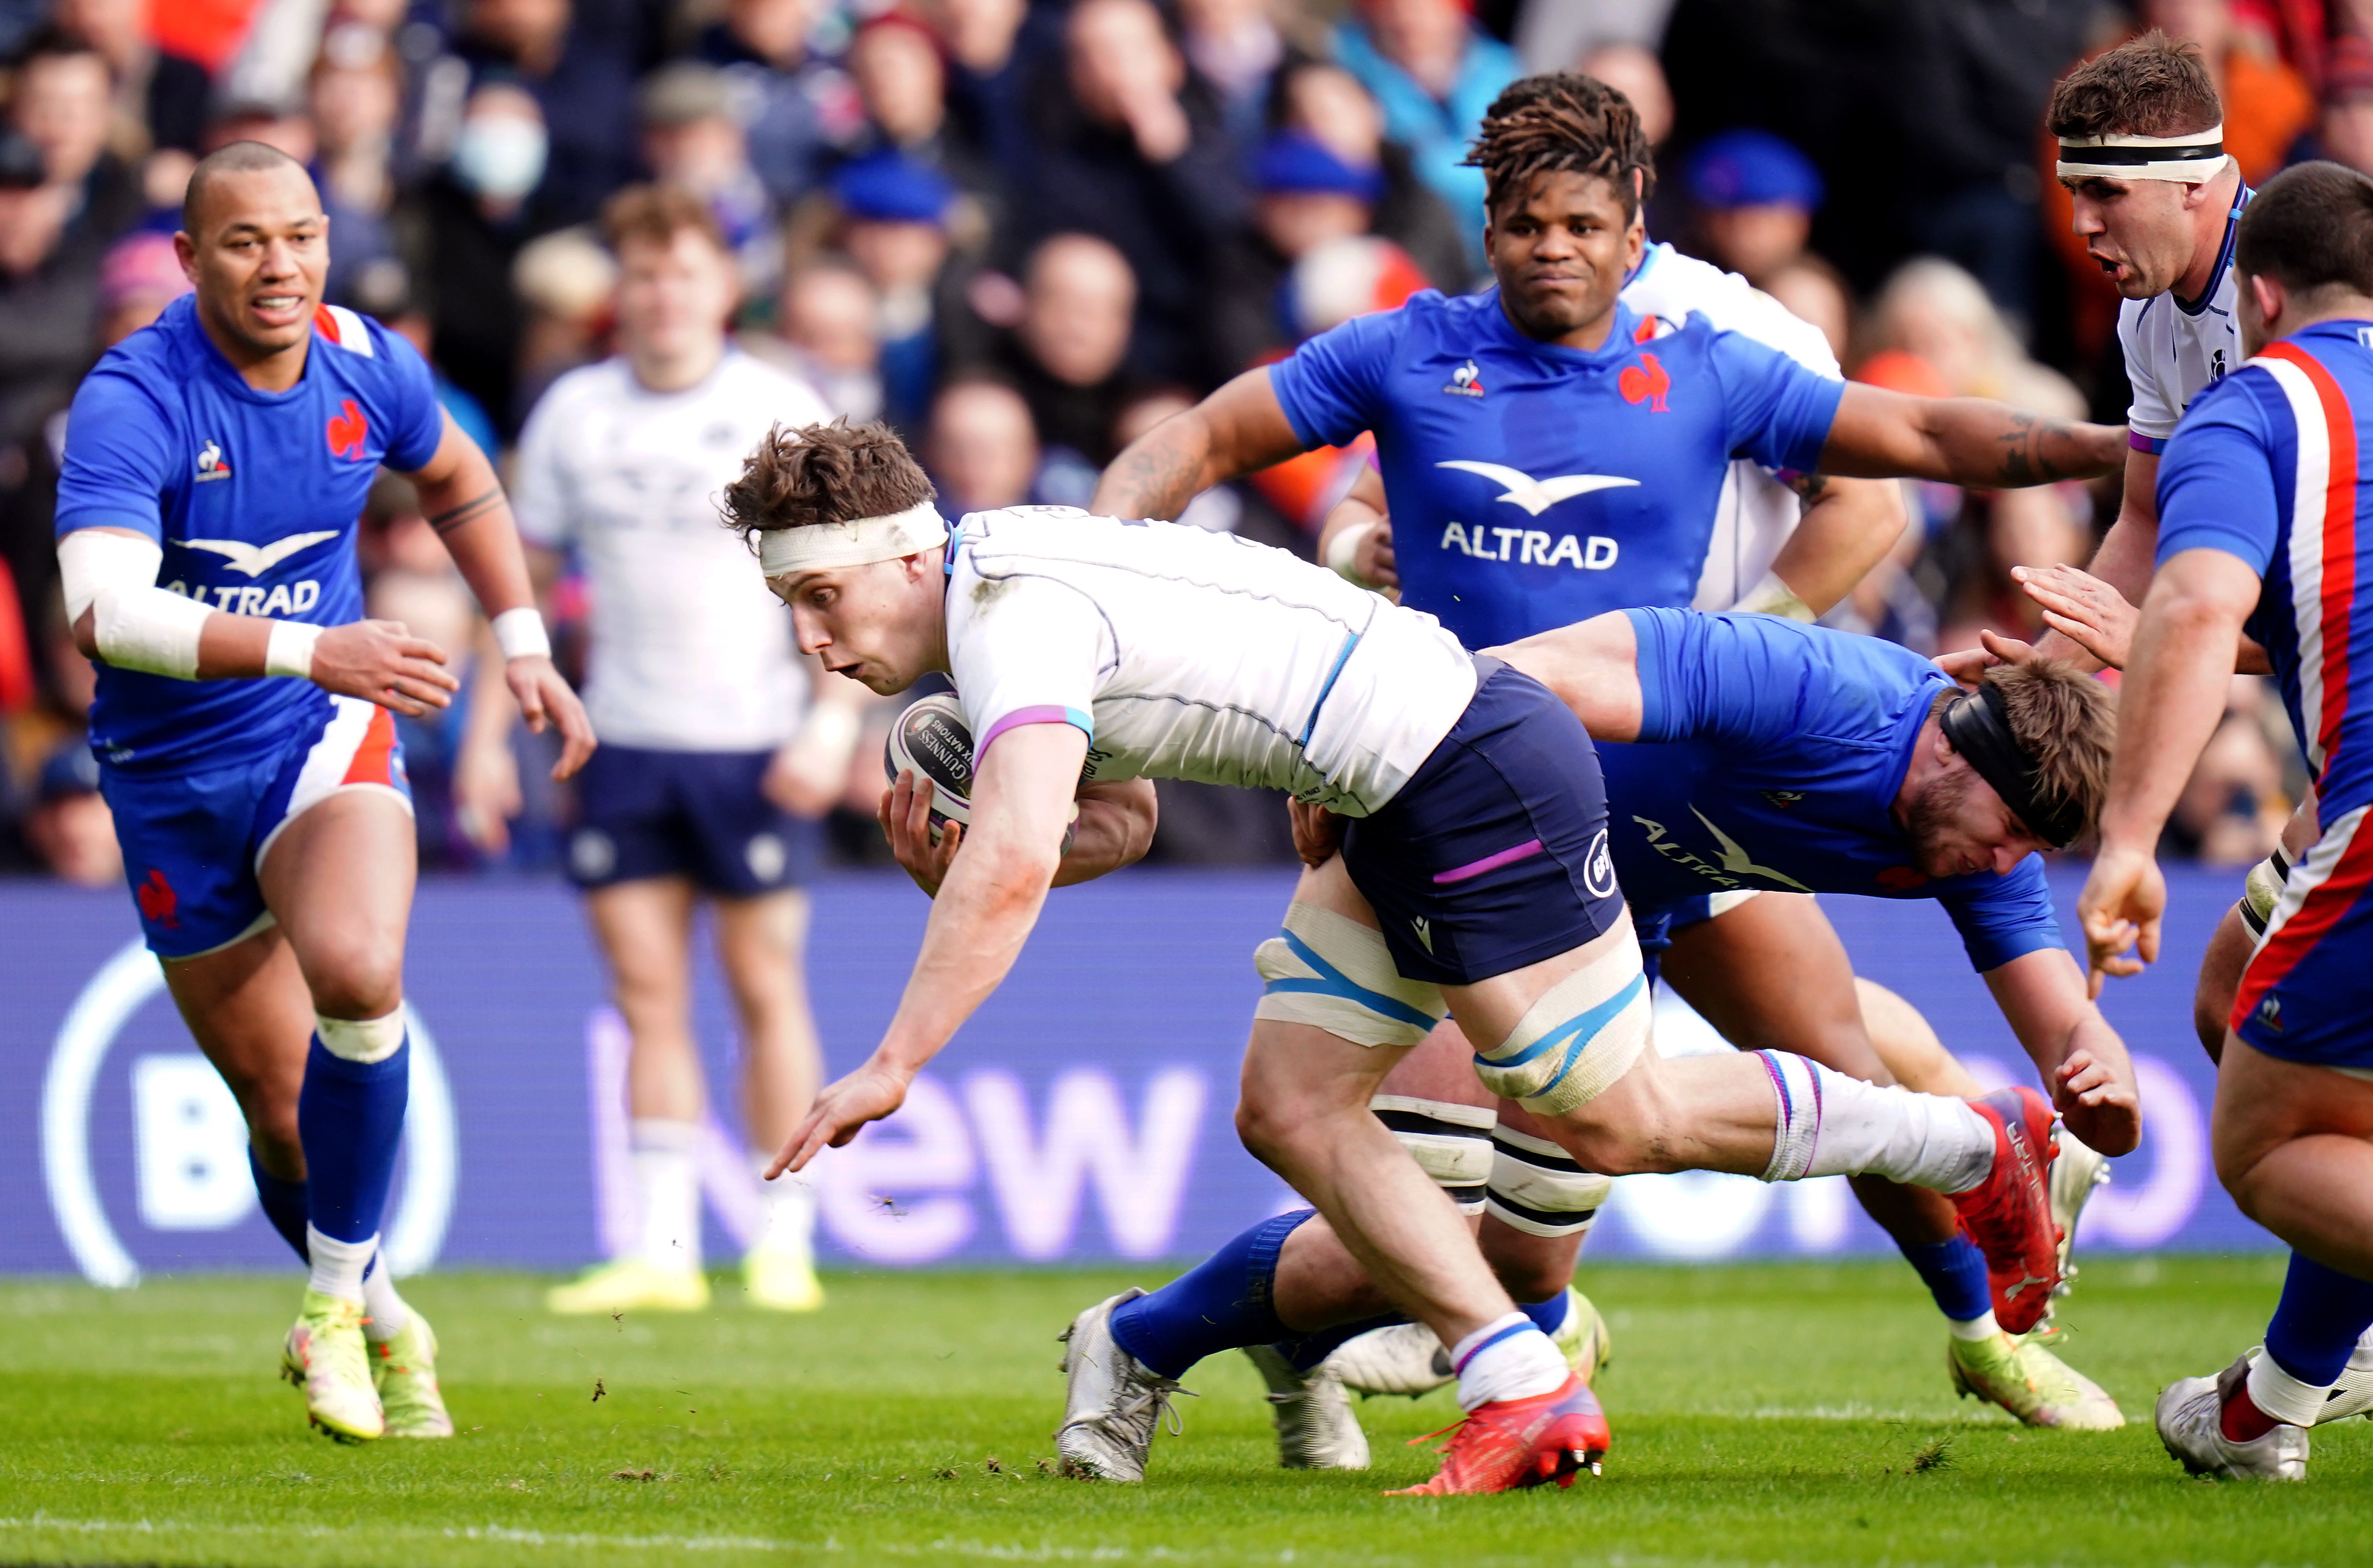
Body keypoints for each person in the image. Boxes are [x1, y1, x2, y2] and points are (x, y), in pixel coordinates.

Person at [734, 420, 2075, 1497]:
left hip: (1467, 765)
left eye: (818, 592)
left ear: (905, 559)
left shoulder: (1010, 614)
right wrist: (962, 861)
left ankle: (1966, 1138)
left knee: (1615, 1116)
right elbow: (1118, 821)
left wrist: (895, 1060)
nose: (808, 634)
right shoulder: (1003, 579)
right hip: (1398, 783)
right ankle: (1516, 1379)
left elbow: (1023, 853)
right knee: (1292, 1107)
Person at [1089, 72, 2132, 1445]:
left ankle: (1985, 1333)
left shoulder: (1715, 351)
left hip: (1672, 808)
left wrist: (2132, 446)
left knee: (1833, 1063)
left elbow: (1909, 453)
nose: (1554, 247)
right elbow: (1223, 447)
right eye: (1525, 223)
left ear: (1637, 220)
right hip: (1467, 813)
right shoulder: (1411, 353)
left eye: (1582, 220)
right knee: (1441, 1190)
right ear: (1491, 227)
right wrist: (1105, 587)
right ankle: (1271, 1337)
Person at [1053, 609, 2141, 1475]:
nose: (2008, 867)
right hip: (1467, 844)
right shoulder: (1812, 687)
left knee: (1509, 1259)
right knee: (1417, 1192)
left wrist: (2103, 1077)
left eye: (2029, 852)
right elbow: (1519, 682)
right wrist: (1358, 759)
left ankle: (1278, 1347)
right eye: (2008, 838)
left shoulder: (1982, 842)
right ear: (1955, 752)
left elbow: (2061, 1019)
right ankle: (1155, 1341)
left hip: (1609, 922)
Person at [51, 141, 593, 1442]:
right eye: (244, 241)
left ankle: (330, 1313)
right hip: (171, 776)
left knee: (357, 972)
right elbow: (99, 612)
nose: (278, 264)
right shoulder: (135, 396)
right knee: (283, 1116)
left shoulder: (370, 363)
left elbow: (459, 478)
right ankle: (380, 1308)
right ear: (191, 260)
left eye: (299, 235)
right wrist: (317, 640)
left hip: (321, 731)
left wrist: (522, 641)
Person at [462, 185, 845, 1316]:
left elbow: (847, 577)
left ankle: (784, 1236)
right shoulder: (575, 413)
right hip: (622, 737)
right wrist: (488, 737)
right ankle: (666, 1247)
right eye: (642, 274)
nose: (663, 294)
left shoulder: (780, 406)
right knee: (647, 995)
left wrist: (832, 723)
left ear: (723, 286)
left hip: (755, 742)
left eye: (683, 272)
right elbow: (519, 588)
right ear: (616, 292)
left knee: (764, 983)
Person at [2078, 160, 2373, 1481]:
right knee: (2233, 996)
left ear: (2259, 292)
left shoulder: (2256, 406)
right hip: (2335, 800)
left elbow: (2197, 607)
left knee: (2273, 1144)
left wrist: (2131, 836)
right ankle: (2271, 1406)